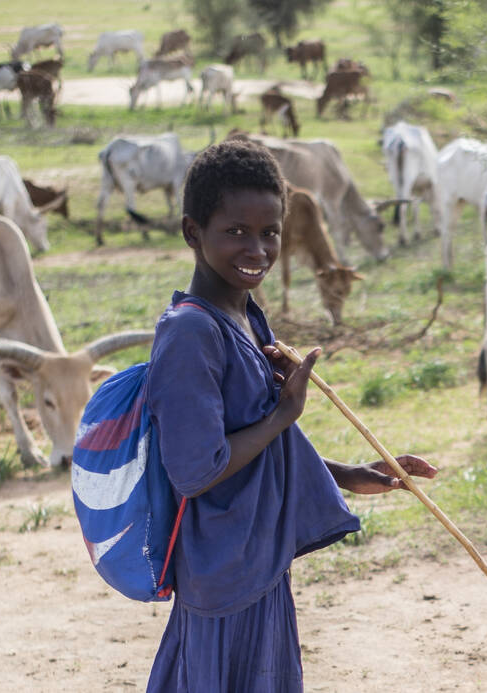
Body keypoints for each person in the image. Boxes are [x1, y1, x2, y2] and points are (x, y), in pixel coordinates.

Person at [142, 139, 439, 692]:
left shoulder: (245, 317)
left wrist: (353, 473)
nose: (256, 248)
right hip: (222, 578)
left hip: (258, 564)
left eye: (270, 232)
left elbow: (258, 450)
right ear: (192, 232)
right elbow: (197, 469)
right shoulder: (190, 333)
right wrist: (285, 413)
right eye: (235, 231)